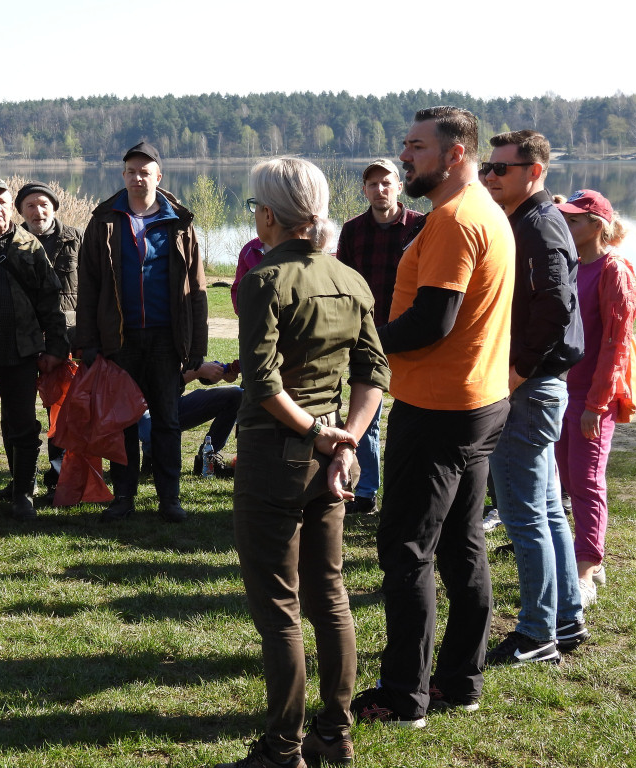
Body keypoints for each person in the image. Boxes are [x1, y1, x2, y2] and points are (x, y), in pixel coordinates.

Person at [218, 157, 388, 768]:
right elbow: (375, 374)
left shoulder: (264, 280)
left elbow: (262, 385)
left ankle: (282, 746)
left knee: (281, 611)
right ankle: (334, 734)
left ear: (268, 215)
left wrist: (323, 435)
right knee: (331, 596)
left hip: (276, 458)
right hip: (326, 459)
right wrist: (347, 439)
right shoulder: (350, 278)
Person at [352, 107, 513, 726]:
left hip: (441, 409)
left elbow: (432, 321)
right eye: (404, 145)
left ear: (454, 153)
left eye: (416, 147)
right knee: (460, 544)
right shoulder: (485, 210)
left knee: (407, 550)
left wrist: (364, 343)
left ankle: (404, 697)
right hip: (478, 403)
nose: (404, 157)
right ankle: (461, 681)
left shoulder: (453, 219)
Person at [481, 130, 588, 665]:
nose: (491, 177)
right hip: (538, 386)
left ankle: (537, 633)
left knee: (525, 516)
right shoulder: (524, 220)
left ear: (535, 171)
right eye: (488, 167)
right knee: (545, 510)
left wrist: (517, 372)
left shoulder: (541, 224)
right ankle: (566, 619)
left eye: (502, 168)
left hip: (531, 387)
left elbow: (557, 307)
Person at [75, 141, 208, 523]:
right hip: (120, 339)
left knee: (167, 420)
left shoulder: (179, 222)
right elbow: (90, 286)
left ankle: (170, 499)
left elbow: (196, 288)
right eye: (131, 172)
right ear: (123, 176)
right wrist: (88, 342)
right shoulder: (104, 220)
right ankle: (124, 497)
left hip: (167, 339)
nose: (137, 178)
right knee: (122, 421)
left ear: (158, 177)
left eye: (144, 172)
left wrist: (195, 346)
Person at [0, 178, 68, 521]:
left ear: (12, 206)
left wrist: (55, 346)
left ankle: (22, 492)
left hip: (22, 351)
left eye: (2, 202)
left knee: (23, 424)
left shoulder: (30, 246)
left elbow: (50, 302)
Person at [554, 189, 636, 607]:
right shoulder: (572, 266)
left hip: (591, 396)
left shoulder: (613, 270)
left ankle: (586, 569)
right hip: (562, 390)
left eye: (574, 221)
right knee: (566, 479)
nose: (567, 226)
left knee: (586, 482)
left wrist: (596, 405)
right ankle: (588, 553)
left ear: (597, 226)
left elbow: (615, 345)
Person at [335, 158, 425, 515]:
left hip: (412, 335)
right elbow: (343, 283)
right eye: (372, 184)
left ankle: (410, 491)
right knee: (366, 417)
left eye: (386, 182)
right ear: (364, 190)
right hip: (366, 337)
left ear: (399, 187)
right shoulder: (353, 230)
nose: (380, 189)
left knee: (415, 417)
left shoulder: (421, 226)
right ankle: (367, 490)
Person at [14, 181, 82, 492]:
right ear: (21, 212)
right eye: (30, 205)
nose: (38, 211)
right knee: (23, 412)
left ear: (54, 207)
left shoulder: (76, 239)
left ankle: (61, 475)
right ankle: (22, 481)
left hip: (70, 338)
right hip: (27, 341)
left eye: (43, 204)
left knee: (64, 411)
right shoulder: (12, 243)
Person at [137, 360, 242, 476]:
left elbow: (190, 365)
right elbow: (155, 386)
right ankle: (151, 457)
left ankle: (207, 459)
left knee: (236, 395)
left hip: (173, 403)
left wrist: (213, 372)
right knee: (152, 431)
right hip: (139, 407)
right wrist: (198, 371)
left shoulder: (188, 342)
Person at [230, 237, 266, 315]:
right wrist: (243, 315)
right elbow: (239, 288)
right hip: (256, 319)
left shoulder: (296, 247)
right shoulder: (249, 249)